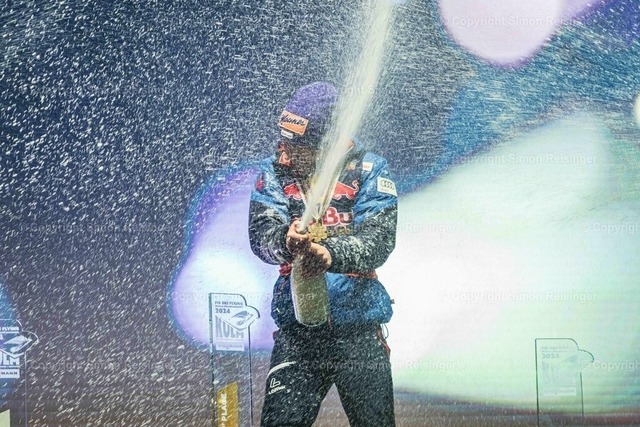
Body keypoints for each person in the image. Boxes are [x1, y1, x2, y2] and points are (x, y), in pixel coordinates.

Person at [249, 81, 398, 427]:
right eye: (284, 141)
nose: (286, 153)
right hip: (298, 335)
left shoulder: (369, 169)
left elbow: (379, 240)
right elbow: (261, 234)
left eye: (297, 146)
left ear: (328, 144)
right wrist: (284, 241)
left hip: (359, 331)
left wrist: (328, 254)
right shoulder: (274, 172)